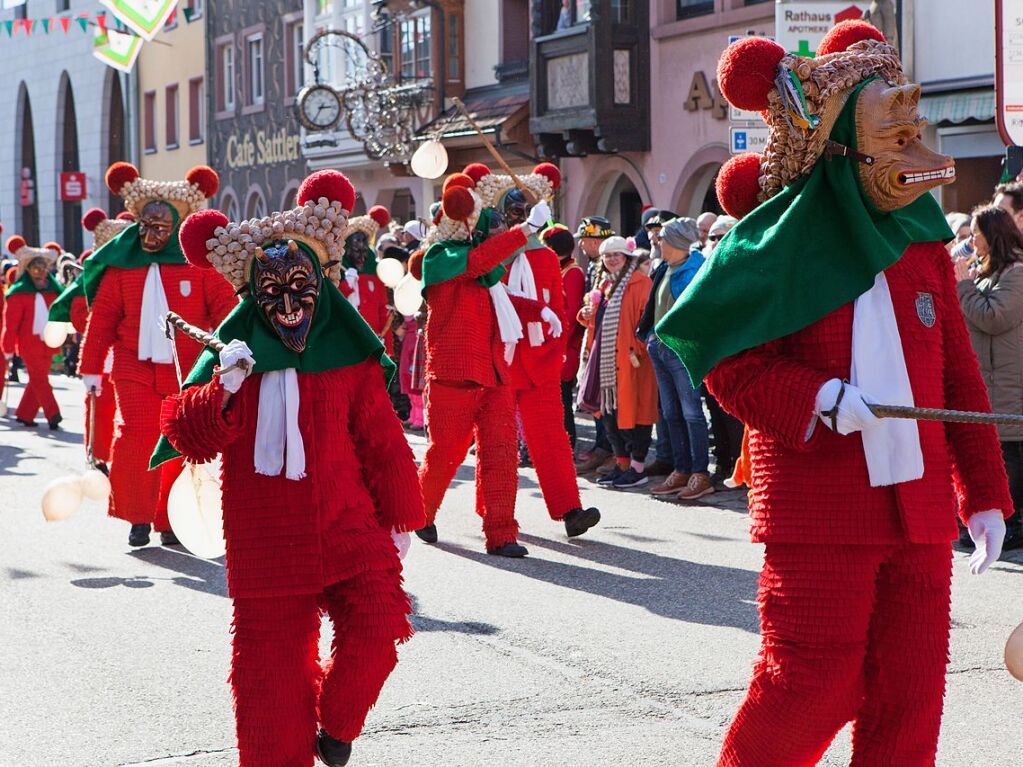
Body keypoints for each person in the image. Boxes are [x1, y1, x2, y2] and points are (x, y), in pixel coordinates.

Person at [658, 24, 1012, 765]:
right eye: (895, 135)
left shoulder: (920, 246)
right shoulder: (769, 244)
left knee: (909, 695)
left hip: (915, 508)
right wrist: (817, 395)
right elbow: (728, 364)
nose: (917, 153)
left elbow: (956, 374)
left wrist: (982, 490)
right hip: (819, 504)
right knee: (811, 683)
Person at [162, 169, 423, 767]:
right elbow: (186, 435)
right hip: (266, 540)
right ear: (252, 294)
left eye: (299, 284)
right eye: (270, 289)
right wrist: (222, 389)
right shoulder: (236, 352)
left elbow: (382, 441)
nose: (287, 302)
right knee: (269, 693)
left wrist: (401, 516)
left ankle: (336, 727)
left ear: (321, 281)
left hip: (348, 524)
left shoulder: (347, 353)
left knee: (382, 626)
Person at [76, 162, 237, 548]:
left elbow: (227, 312)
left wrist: (234, 352)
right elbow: (102, 320)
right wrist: (91, 368)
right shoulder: (120, 268)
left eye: (161, 228)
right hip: (132, 364)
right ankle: (137, 516)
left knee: (179, 442)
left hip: (187, 368)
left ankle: (169, 519)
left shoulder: (200, 268)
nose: (150, 235)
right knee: (136, 437)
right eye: (145, 225)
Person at [410, 171, 548, 556]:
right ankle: (420, 513)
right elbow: (477, 262)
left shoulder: (485, 270)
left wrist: (541, 311)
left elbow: (498, 296)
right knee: (446, 452)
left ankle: (502, 533)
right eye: (497, 228)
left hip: (494, 373)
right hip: (455, 373)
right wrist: (526, 230)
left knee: (502, 455)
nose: (502, 234)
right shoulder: (442, 260)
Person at [478, 163, 602, 537]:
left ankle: (569, 509)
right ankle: (493, 510)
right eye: (512, 212)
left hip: (539, 362)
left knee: (552, 439)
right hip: (499, 360)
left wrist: (554, 351)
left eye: (524, 212)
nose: (518, 219)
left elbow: (557, 308)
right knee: (498, 444)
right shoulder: (487, 256)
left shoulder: (547, 257)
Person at [955, 204, 1023, 551]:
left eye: (977, 234)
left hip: (1008, 382)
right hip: (989, 381)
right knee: (993, 452)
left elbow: (995, 316)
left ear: (992, 235)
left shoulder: (1016, 273)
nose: (972, 240)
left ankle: (1010, 523)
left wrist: (965, 288)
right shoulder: (986, 272)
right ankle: (985, 520)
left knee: (1007, 454)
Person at [639, 218, 714, 499]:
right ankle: (681, 469)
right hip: (659, 347)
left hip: (681, 350)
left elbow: (694, 315)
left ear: (678, 243)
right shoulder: (667, 266)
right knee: (670, 412)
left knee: (692, 413)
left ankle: (700, 473)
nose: (658, 242)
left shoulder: (694, 269)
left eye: (664, 239)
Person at [578, 235, 657, 488]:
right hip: (606, 361)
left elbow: (649, 322)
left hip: (633, 361)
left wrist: (638, 349)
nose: (612, 259)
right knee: (610, 415)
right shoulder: (603, 285)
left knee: (635, 414)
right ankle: (622, 464)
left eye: (617, 255)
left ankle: (637, 467)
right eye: (608, 255)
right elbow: (593, 323)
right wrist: (585, 314)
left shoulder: (641, 283)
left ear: (627, 258)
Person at [700, 215, 745, 484]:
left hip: (736, 349)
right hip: (712, 349)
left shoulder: (743, 262)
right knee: (716, 413)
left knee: (736, 415)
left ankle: (742, 469)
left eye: (722, 235)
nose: (717, 241)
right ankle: (723, 464)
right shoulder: (707, 266)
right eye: (713, 237)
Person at [1, 238, 62, 428]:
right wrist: (8, 347)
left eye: (44, 269)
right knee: (39, 378)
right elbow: (10, 324)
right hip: (29, 343)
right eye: (37, 269)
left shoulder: (54, 292)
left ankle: (25, 414)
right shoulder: (18, 294)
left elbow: (60, 316)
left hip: (49, 341)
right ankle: (53, 413)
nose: (42, 274)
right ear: (28, 270)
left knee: (39, 377)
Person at [573, 215, 616, 473]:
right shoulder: (593, 265)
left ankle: (608, 448)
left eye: (585, 240)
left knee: (603, 396)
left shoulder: (605, 265)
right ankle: (602, 445)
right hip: (593, 336)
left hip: (606, 338)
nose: (582, 245)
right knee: (593, 394)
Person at [541, 223, 585, 448]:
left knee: (563, 400)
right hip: (551, 343)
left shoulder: (573, 272)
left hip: (564, 346)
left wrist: (555, 341)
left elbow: (572, 312)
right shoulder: (556, 269)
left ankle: (567, 445)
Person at [340, 206, 392, 341]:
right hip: (348, 340)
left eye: (365, 251)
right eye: (357, 251)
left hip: (373, 340)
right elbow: (334, 306)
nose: (362, 257)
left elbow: (383, 307)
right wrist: (346, 285)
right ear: (346, 249)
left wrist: (387, 344)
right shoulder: (336, 271)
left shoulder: (374, 271)